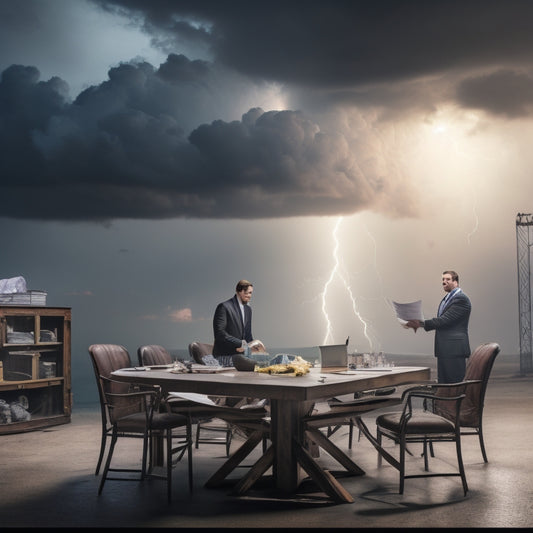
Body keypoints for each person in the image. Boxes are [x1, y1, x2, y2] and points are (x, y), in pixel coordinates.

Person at [405, 270, 471, 383]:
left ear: (456, 282)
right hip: (445, 349)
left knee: (454, 383)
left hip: (454, 349)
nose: (444, 282)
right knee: (444, 383)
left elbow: (444, 320)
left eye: (448, 279)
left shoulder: (461, 299)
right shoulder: (448, 299)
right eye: (443, 279)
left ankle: (456, 401)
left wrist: (420, 323)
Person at [212, 279, 256, 371]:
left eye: (251, 293)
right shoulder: (224, 307)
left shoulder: (248, 310)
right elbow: (220, 334)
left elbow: (248, 334)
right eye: (248, 293)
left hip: (242, 356)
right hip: (224, 356)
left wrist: (253, 347)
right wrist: (241, 344)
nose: (250, 296)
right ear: (239, 291)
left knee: (265, 362)